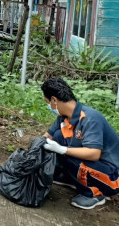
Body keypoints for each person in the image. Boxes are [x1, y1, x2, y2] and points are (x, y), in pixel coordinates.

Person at [41, 78, 119, 210]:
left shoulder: (90, 118)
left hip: (111, 176)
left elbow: (94, 154)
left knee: (69, 153)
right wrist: (29, 154)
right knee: (59, 136)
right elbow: (47, 137)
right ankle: (69, 177)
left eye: (47, 102)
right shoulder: (64, 116)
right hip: (94, 167)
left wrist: (62, 149)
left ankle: (94, 194)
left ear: (54, 100)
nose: (48, 106)